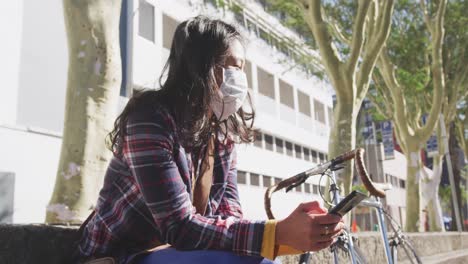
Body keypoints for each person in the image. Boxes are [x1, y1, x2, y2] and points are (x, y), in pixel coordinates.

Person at [73, 16, 344, 264]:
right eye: (232, 67)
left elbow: (228, 216)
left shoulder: (221, 134)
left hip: (178, 250)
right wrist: (277, 231)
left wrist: (292, 232)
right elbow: (178, 227)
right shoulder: (150, 120)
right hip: (121, 256)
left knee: (258, 261)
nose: (240, 80)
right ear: (199, 67)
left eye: (242, 69)